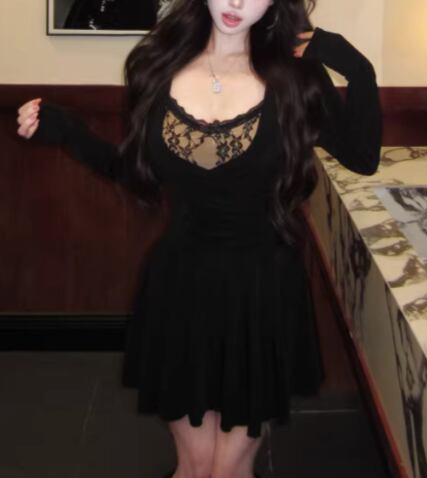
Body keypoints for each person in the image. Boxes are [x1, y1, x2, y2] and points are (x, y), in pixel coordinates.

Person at [17, 0, 383, 477]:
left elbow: (362, 156)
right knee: (192, 468)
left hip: (261, 294)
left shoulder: (297, 78)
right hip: (180, 287)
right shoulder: (156, 66)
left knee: (226, 472)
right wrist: (65, 130)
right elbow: (135, 172)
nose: (236, 2)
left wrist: (356, 66)